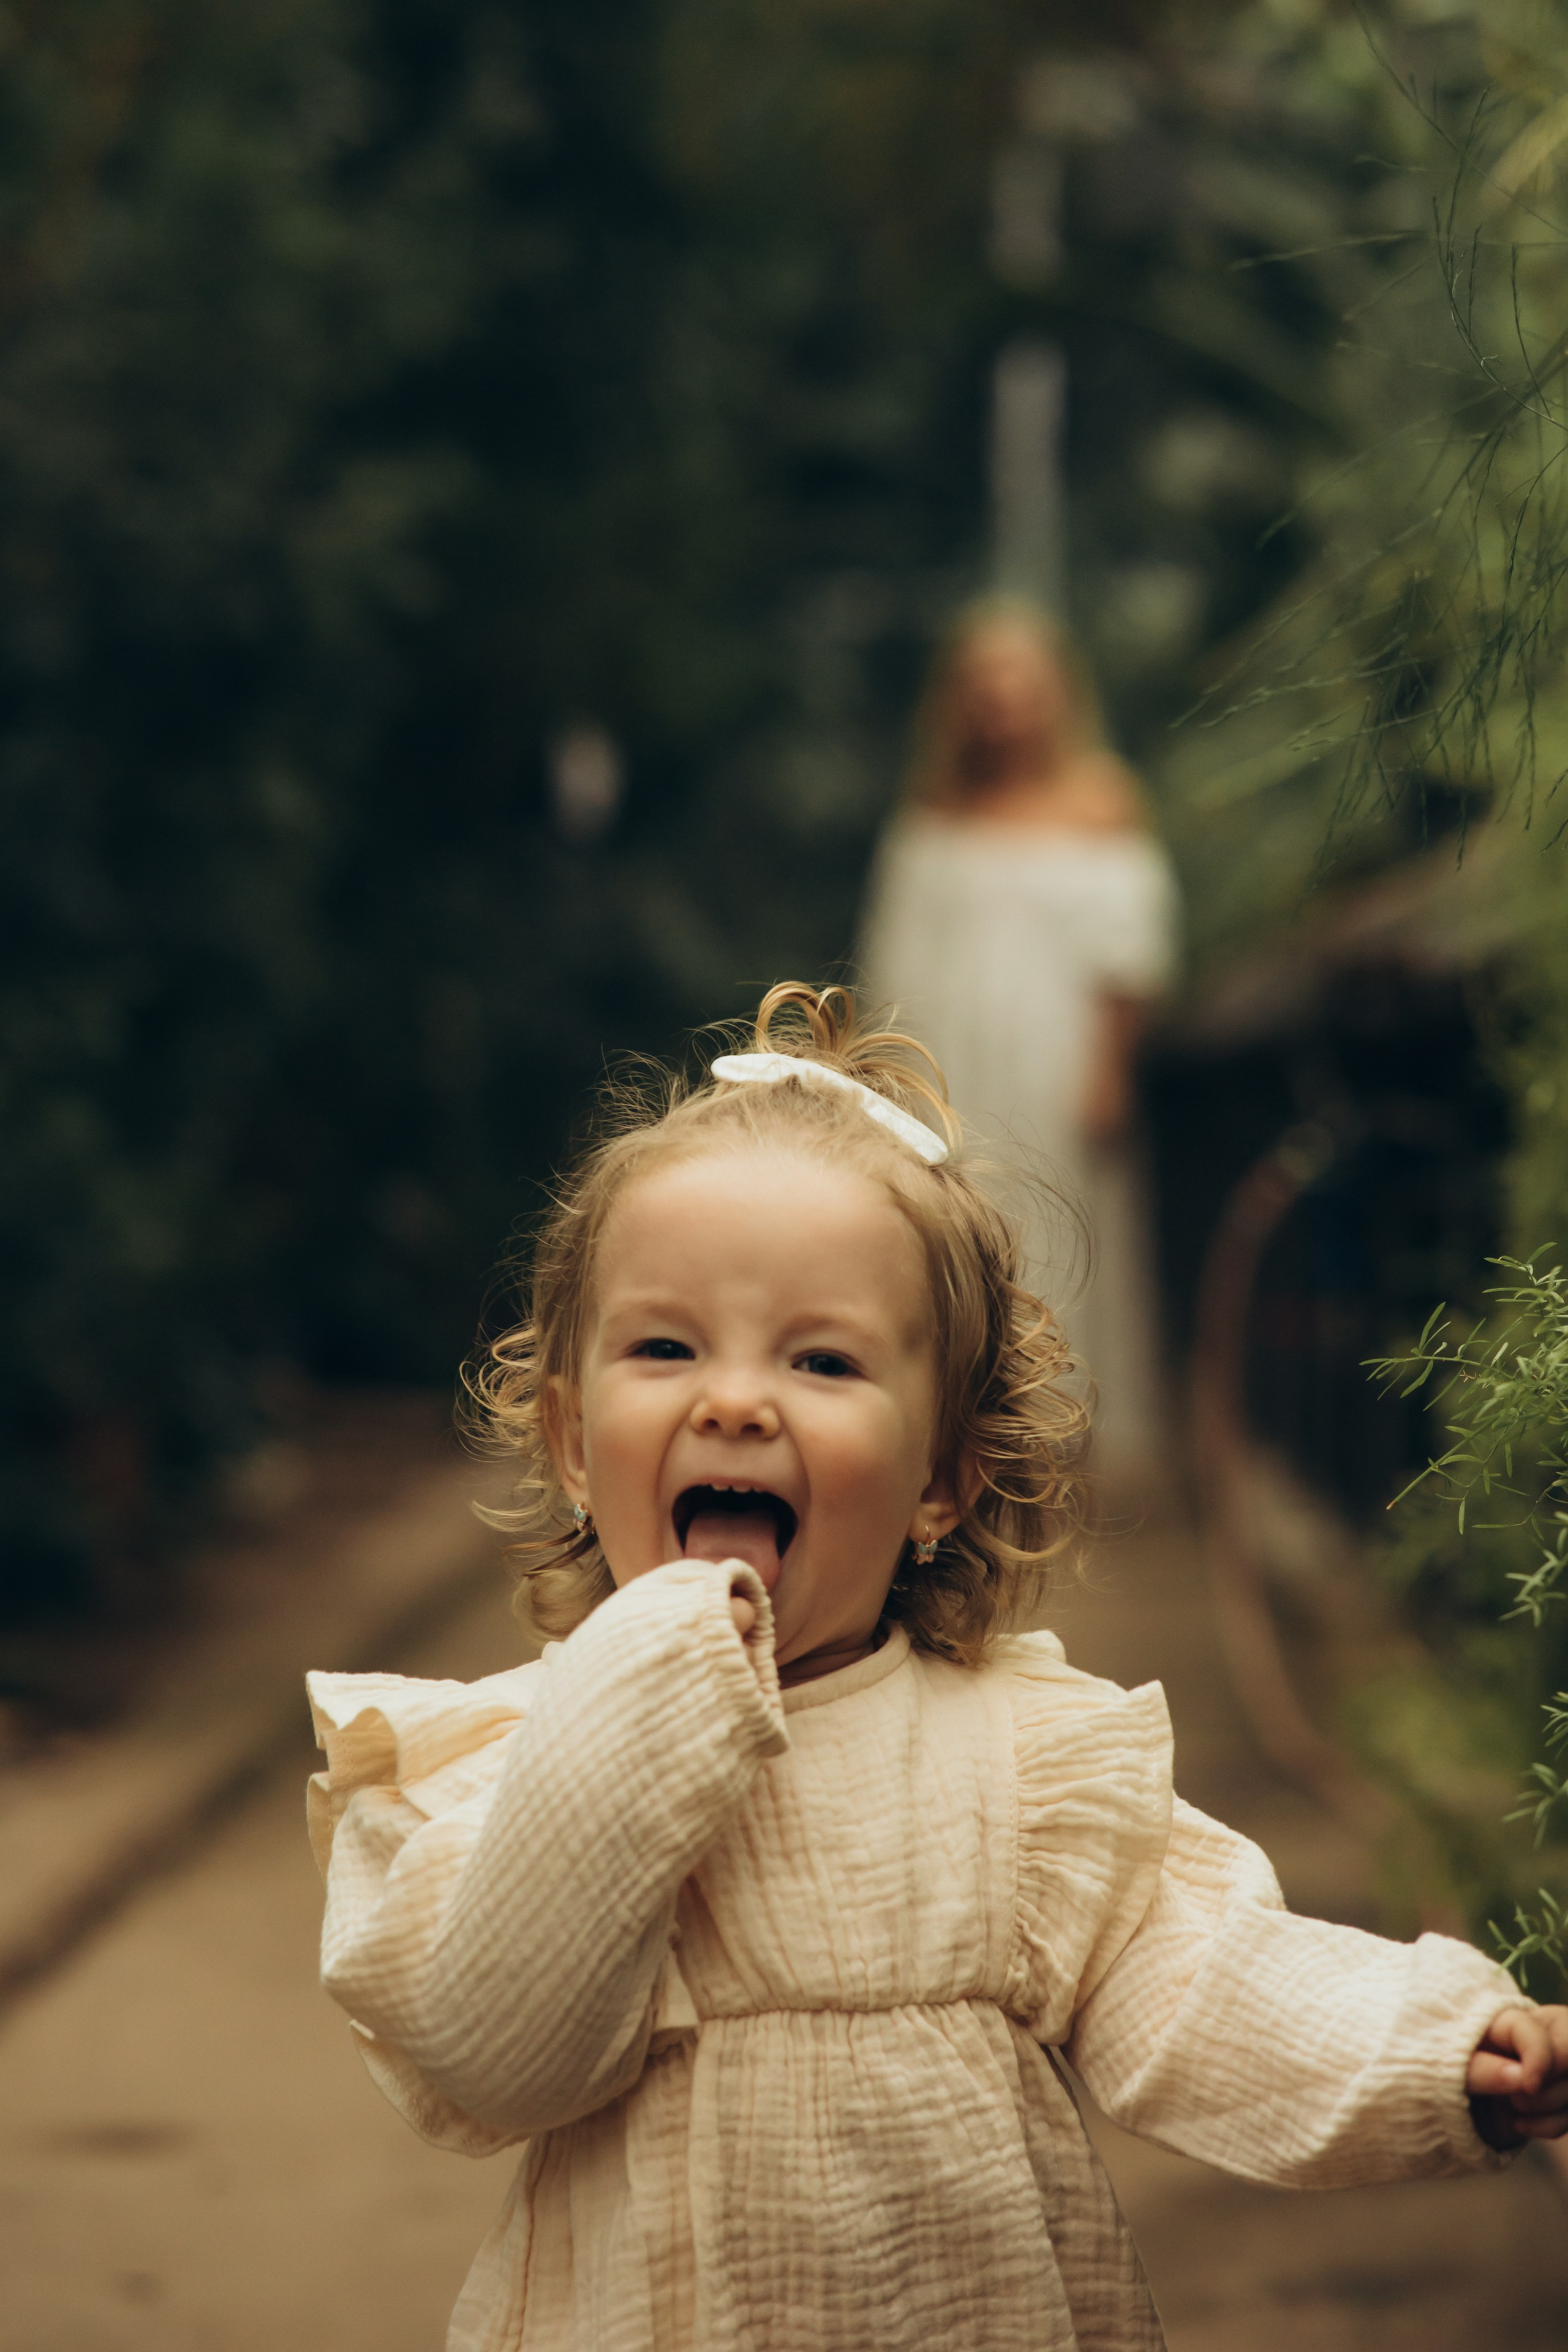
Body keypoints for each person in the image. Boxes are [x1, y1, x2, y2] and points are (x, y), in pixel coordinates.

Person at [306, 982, 1567, 2352]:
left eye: (823, 1359)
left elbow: (1201, 1984)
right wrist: (642, 1690)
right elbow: (499, 2052)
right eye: (664, 1348)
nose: (732, 1398)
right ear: (566, 1442)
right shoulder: (499, 1770)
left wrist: (1435, 2055)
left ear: (941, 1480)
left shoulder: (1014, 1763)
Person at [861, 599, 1177, 1478]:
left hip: (1053, 1057)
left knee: (1056, 1219)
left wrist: (1110, 1068)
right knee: (958, 1224)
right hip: (947, 1058)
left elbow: (1130, 954)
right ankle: (961, 1426)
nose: (1003, 699)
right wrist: (888, 1078)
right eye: (984, 682)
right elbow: (890, 954)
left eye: (1020, 681)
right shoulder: (934, 807)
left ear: (1054, 694)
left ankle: (1056, 1426)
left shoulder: (1103, 801)